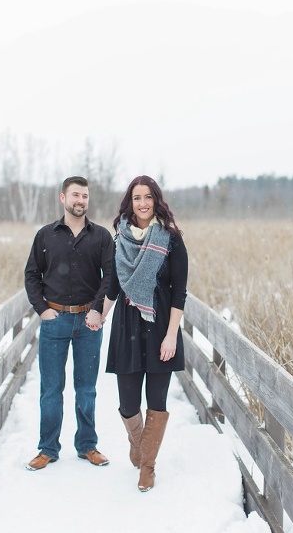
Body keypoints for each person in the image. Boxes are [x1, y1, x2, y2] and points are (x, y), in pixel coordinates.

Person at [100, 174, 188, 492]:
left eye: (148, 197)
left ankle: (147, 467)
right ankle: (139, 446)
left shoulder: (171, 239)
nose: (143, 203)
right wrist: (101, 313)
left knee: (157, 402)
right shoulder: (119, 239)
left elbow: (179, 292)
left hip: (160, 326)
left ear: (156, 200)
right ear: (130, 202)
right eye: (137, 198)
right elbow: (112, 285)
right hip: (126, 326)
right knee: (127, 403)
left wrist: (171, 335)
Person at [23, 175, 114, 470]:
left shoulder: (101, 236)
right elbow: (31, 275)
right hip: (55, 321)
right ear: (63, 198)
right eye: (75, 195)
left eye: (85, 196)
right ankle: (47, 448)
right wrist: (42, 310)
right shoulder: (45, 235)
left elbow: (111, 276)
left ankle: (87, 445)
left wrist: (97, 309)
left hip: (88, 323)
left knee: (86, 389)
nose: (81, 201)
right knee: (51, 389)